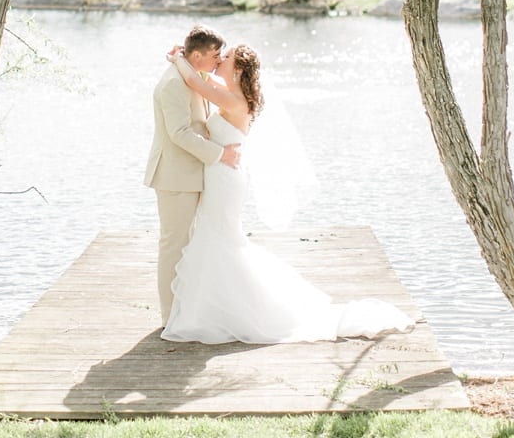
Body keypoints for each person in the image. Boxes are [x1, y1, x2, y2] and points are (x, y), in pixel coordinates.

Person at [160, 42, 415, 344]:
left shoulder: (233, 99)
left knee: (220, 240)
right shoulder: (230, 91)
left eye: (225, 58)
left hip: (224, 179)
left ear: (238, 69)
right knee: (216, 239)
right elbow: (202, 78)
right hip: (221, 175)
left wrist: (178, 59)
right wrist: (189, 61)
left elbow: (193, 80)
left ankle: (229, 310)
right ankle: (208, 308)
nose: (220, 60)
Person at [145, 24, 241, 324]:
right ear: (197, 55)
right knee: (173, 245)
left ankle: (187, 309)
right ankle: (169, 317)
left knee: (189, 244)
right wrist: (219, 154)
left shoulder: (190, 74)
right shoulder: (174, 83)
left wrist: (180, 59)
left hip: (192, 173)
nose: (218, 60)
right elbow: (179, 133)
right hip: (175, 176)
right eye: (215, 55)